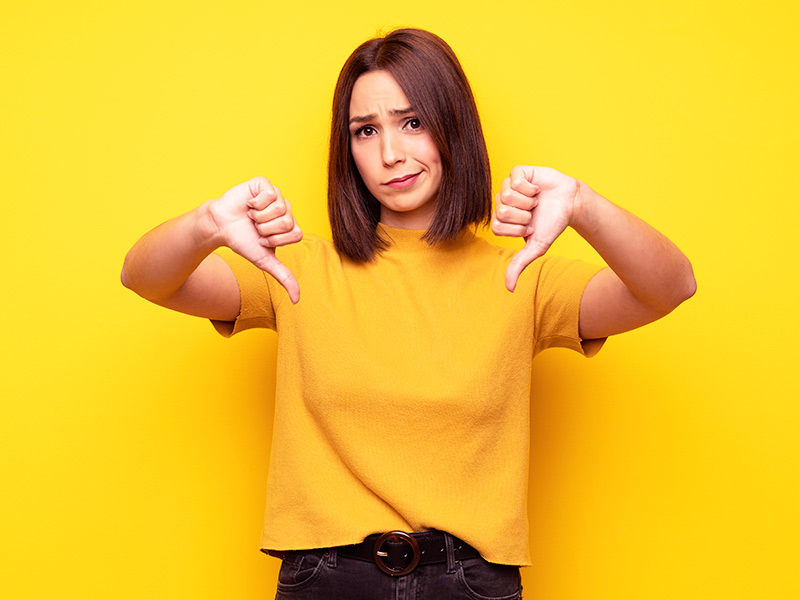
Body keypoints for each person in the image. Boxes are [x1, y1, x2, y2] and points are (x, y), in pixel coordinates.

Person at [121, 28, 695, 600]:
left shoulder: (523, 276)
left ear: (453, 127)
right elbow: (146, 278)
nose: (390, 153)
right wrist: (207, 224)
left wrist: (582, 204)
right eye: (365, 131)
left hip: (469, 582)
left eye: (412, 122)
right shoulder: (297, 272)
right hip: (326, 581)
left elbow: (670, 286)